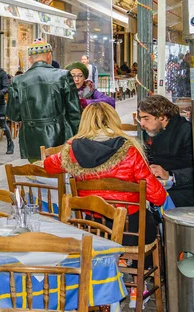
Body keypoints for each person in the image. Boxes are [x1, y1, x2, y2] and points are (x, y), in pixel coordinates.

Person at [44, 102, 166, 307]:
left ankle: (106, 272)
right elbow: (158, 197)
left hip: (94, 229)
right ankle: (137, 285)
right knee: (148, 221)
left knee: (102, 223)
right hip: (130, 231)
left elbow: (48, 166)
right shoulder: (130, 150)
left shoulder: (72, 150)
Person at [7, 38, 81, 161]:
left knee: (37, 173)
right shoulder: (63, 76)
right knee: (60, 174)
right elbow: (74, 112)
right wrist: (78, 137)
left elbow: (14, 115)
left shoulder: (17, 81)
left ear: (30, 59)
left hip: (31, 138)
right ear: (49, 56)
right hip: (60, 136)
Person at [138, 95, 193, 207]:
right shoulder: (154, 132)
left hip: (182, 195)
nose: (142, 124)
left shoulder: (186, 131)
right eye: (140, 118)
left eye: (146, 118)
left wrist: (170, 176)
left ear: (162, 117)